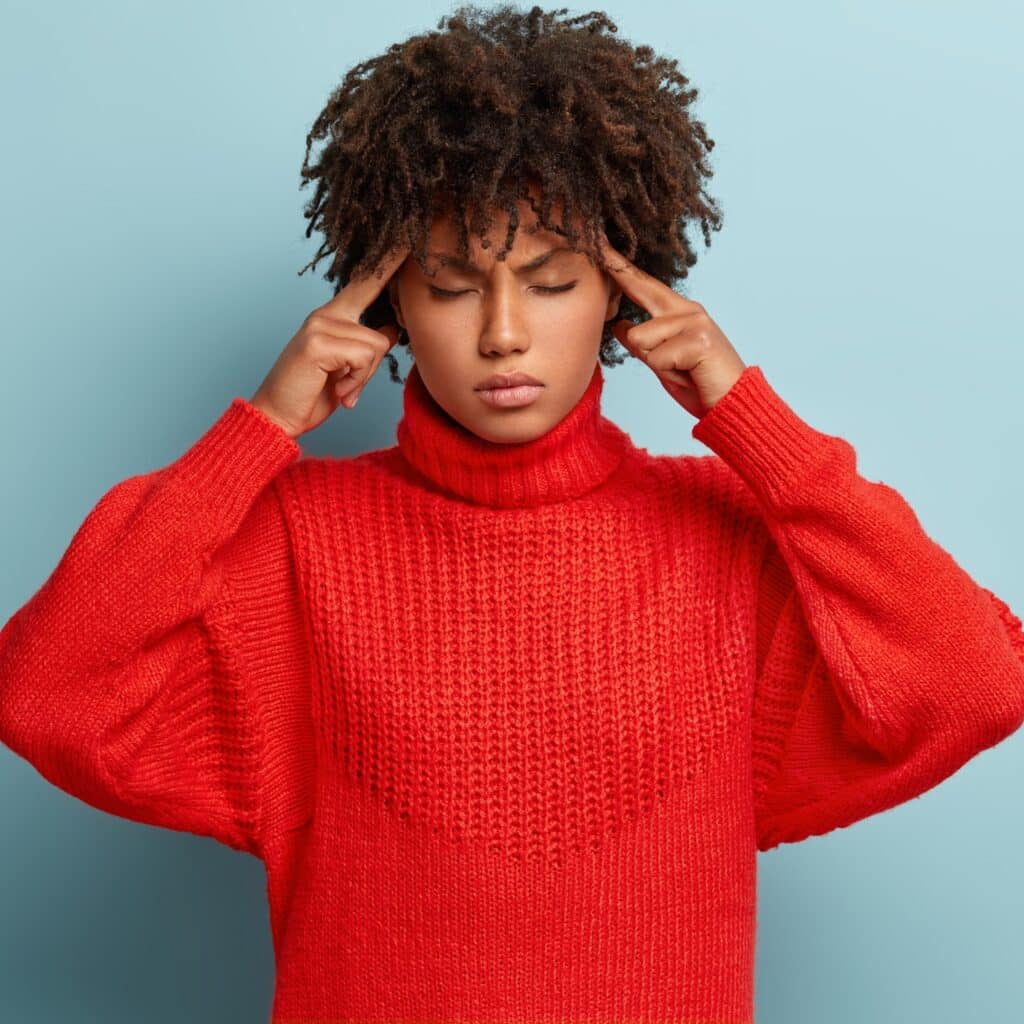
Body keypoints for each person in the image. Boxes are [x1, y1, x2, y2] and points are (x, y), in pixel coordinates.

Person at [2, 5, 1022, 1022]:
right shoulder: (291, 545)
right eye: (449, 287)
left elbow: (975, 680)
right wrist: (258, 431)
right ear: (384, 306)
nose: (502, 333)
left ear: (622, 298)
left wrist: (745, 415)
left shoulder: (725, 538)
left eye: (550, 281)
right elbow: (43, 693)